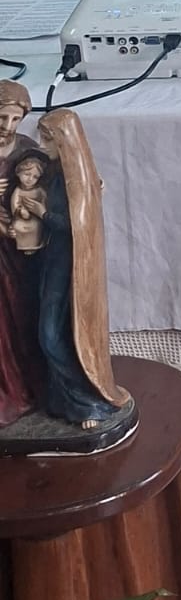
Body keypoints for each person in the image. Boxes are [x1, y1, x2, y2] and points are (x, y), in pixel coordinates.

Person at [34, 108, 131, 428]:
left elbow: (75, 227)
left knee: (52, 335)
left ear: (63, 142)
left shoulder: (77, 181)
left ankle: (87, 400)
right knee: (54, 333)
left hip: (72, 268)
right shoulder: (55, 173)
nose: (41, 145)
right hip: (51, 262)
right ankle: (64, 398)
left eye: (47, 139)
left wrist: (42, 213)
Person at [0, 81, 43, 424]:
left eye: (16, 119)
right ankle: (7, 394)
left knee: (25, 315)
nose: (8, 126)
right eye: (2, 117)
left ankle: (33, 388)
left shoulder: (27, 149)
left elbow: (52, 186)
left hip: (24, 251)